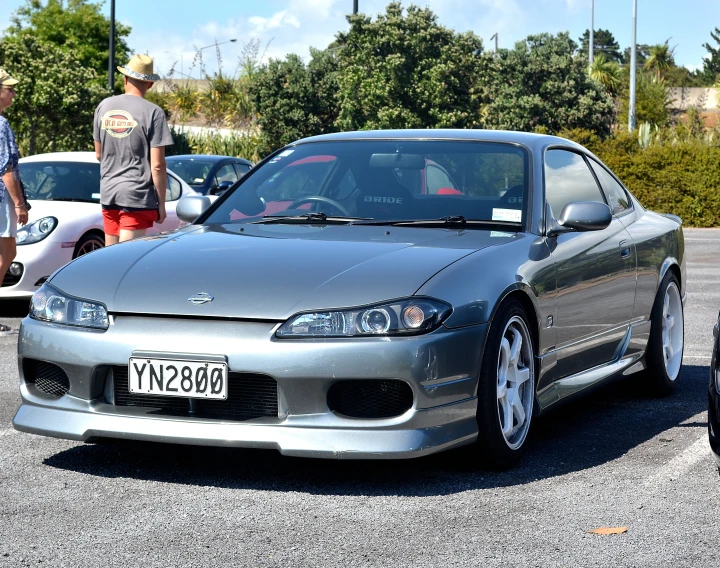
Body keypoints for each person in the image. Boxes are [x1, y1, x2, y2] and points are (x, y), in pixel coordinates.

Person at [93, 54, 173, 245]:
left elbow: (99, 154)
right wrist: (161, 204)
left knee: (109, 260)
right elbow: (158, 166)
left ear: (125, 78)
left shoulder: (103, 106)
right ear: (150, 84)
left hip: (109, 192)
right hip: (136, 196)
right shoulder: (154, 112)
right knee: (126, 261)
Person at [0, 68, 28, 336]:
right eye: (9, 88)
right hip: (0, 198)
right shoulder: (1, 124)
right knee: (7, 254)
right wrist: (19, 204)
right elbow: (6, 169)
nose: (13, 93)